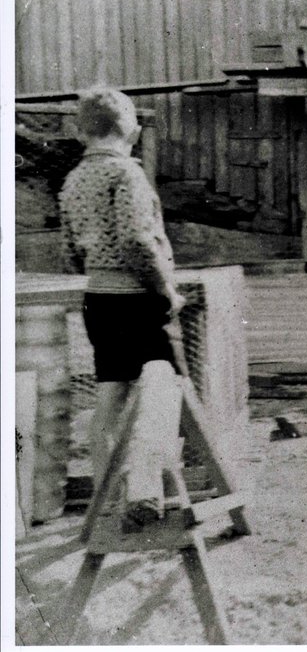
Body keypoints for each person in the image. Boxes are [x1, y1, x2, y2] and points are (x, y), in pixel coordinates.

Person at [59, 88, 184, 531]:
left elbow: (69, 248)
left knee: (109, 396)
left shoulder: (74, 180)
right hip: (136, 298)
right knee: (162, 386)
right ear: (130, 129)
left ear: (81, 132)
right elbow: (136, 239)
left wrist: (98, 275)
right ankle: (146, 491)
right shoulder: (126, 173)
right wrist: (165, 289)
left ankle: (106, 500)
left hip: (98, 298)